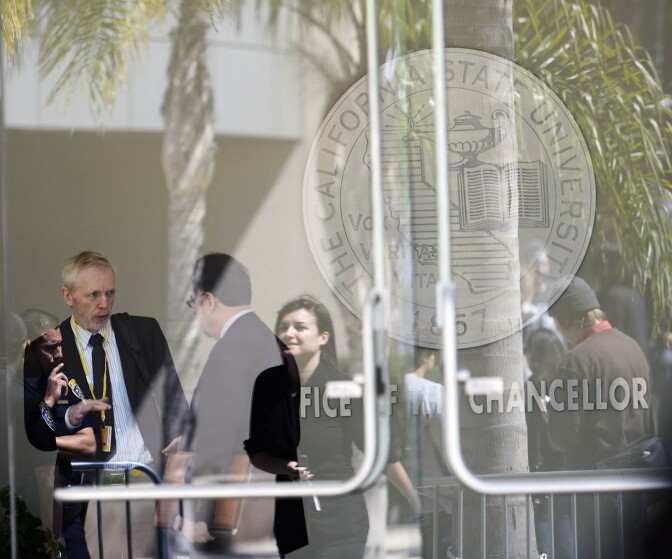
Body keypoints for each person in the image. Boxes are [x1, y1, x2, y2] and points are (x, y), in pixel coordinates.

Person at [24, 251, 189, 558]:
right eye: (93, 295)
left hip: (146, 484)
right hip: (86, 496)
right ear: (68, 296)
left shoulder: (143, 333)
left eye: (110, 293)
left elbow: (176, 402)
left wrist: (180, 439)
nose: (104, 304)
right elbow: (36, 432)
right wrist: (71, 417)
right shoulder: (43, 352)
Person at [246, 295, 419, 559]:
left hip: (342, 522)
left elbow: (380, 454)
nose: (289, 334)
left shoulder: (342, 388)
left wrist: (416, 501)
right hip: (292, 525)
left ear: (323, 338)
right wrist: (283, 466)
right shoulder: (268, 385)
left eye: (300, 327)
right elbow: (257, 451)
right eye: (283, 327)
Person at [177, 252, 300, 554]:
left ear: (208, 300)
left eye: (193, 303)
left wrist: (191, 513)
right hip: (279, 503)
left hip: (229, 514)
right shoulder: (276, 345)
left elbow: (215, 439)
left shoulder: (229, 352)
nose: (195, 312)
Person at [546, 276, 653, 559]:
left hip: (595, 488)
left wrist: (549, 418)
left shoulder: (576, 361)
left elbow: (563, 437)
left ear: (568, 321)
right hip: (637, 480)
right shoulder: (633, 348)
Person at [523, 328, 572, 559]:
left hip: (540, 475)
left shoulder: (532, 387)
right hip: (565, 473)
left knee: (545, 545)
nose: (526, 357)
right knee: (565, 540)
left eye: (528, 351)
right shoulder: (567, 385)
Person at [403, 348, 456, 559]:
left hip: (406, 498)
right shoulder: (432, 392)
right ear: (427, 356)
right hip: (437, 500)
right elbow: (447, 448)